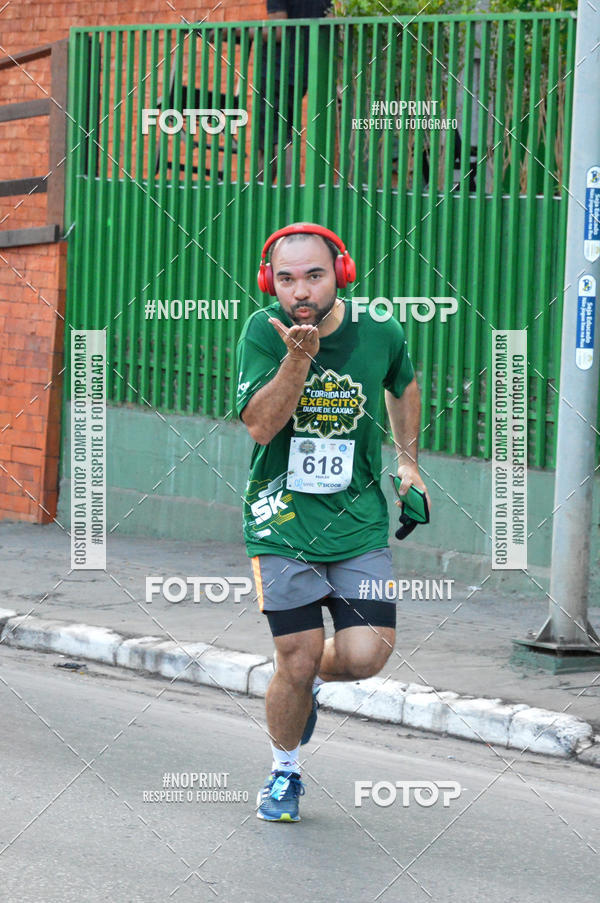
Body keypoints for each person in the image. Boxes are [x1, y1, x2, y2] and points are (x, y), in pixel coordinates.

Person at [235, 222, 429, 822]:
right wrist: (297, 360)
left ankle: (301, 682)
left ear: (340, 275)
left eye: (314, 277)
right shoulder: (263, 333)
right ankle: (283, 772)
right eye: (286, 279)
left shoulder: (380, 329)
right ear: (271, 282)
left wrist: (408, 463)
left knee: (367, 655)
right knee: (295, 654)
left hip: (358, 518)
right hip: (282, 520)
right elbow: (261, 426)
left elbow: (404, 383)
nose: (300, 292)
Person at [257, 0, 332, 183]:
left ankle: (292, 193)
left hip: (277, 69)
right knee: (268, 136)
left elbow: (279, 30)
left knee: (277, 135)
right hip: (304, 69)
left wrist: (234, 31)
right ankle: (256, 197)